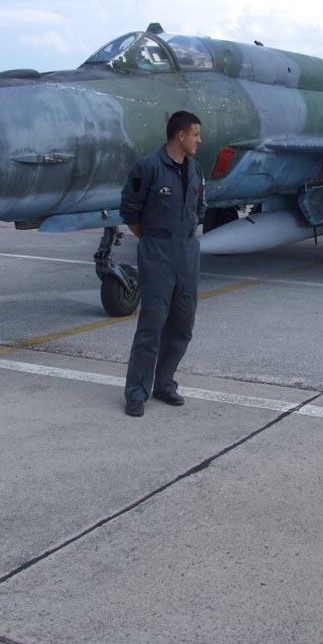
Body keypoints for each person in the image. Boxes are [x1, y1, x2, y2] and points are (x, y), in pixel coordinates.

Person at [120, 110, 206, 417]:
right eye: (195, 134)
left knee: (182, 325)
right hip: (158, 256)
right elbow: (131, 212)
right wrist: (154, 241)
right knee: (151, 326)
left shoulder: (195, 169)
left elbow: (199, 208)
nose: (199, 140)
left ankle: (164, 382)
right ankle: (136, 391)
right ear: (180, 136)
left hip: (187, 256)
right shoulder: (149, 167)